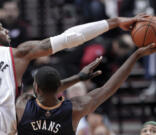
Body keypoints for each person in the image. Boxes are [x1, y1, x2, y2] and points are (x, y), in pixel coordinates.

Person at [0, 14, 148, 134]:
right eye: (1, 29)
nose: (6, 30)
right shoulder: (17, 54)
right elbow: (70, 38)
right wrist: (115, 22)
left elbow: (43, 91)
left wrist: (77, 78)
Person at [18, 44, 156, 135]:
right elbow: (109, 87)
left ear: (36, 87)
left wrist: (77, 78)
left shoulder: (22, 105)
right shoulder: (75, 108)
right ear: (58, 88)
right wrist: (136, 55)